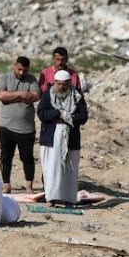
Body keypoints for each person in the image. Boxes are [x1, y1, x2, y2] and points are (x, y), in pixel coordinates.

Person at [37, 70, 88, 206]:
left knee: (69, 170)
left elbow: (83, 116)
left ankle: (69, 200)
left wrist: (69, 118)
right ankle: (51, 198)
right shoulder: (48, 95)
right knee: (51, 169)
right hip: (51, 139)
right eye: (59, 85)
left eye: (64, 85)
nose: (61, 88)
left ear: (69, 83)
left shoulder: (77, 96)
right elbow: (41, 113)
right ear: (55, 83)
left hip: (70, 139)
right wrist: (58, 115)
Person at [0, 56, 41, 194]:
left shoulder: (32, 79)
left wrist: (11, 96)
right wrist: (21, 94)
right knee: (6, 157)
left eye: (24, 70)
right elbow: (1, 95)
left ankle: (29, 186)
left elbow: (36, 96)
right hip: (7, 126)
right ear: (14, 65)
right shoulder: (5, 78)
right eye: (19, 69)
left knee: (27, 158)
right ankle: (7, 185)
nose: (21, 73)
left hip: (26, 128)